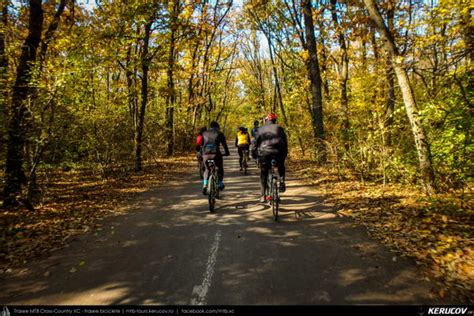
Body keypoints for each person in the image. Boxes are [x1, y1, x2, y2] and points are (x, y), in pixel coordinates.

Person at [251, 113, 288, 203]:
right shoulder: (279, 128)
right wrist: (285, 153)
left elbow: (255, 143)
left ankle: (263, 196)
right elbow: (285, 142)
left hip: (264, 153)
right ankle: (282, 182)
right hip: (278, 152)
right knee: (281, 166)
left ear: (266, 120)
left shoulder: (261, 129)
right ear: (274, 120)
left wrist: (253, 154)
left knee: (264, 173)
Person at [199, 121, 230, 194]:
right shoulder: (220, 133)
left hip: (206, 155)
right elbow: (224, 145)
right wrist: (227, 153)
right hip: (216, 155)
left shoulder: (204, 133)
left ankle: (205, 184)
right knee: (220, 168)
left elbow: (200, 145)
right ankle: (219, 183)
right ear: (217, 127)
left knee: (207, 169)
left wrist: (201, 154)